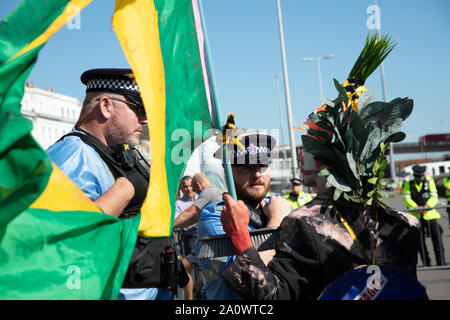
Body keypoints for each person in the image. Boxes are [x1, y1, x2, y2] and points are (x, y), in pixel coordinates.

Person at [217, 34, 426, 300]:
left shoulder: (305, 223)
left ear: (319, 160)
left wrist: (240, 239)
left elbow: (273, 297)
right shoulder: (406, 224)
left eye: (307, 146)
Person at [47, 68, 186, 300]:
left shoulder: (112, 154)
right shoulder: (74, 155)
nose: (145, 119)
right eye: (138, 108)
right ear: (105, 106)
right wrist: (126, 188)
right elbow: (74, 237)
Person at [194, 129, 292, 300]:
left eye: (262, 166)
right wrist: (277, 222)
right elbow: (246, 280)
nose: (257, 174)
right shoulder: (215, 216)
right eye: (246, 167)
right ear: (228, 173)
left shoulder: (277, 205)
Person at [173, 172, 222, 300]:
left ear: (198, 185)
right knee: (212, 276)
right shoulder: (219, 191)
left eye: (194, 189)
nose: (193, 192)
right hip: (216, 243)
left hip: (208, 243)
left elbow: (192, 212)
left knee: (181, 268)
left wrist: (170, 226)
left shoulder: (207, 192)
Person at [403, 165, 445, 266]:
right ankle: (426, 263)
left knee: (437, 239)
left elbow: (434, 196)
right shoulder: (409, 184)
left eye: (421, 176)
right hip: (417, 217)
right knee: (420, 242)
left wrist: (427, 206)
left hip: (430, 215)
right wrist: (416, 207)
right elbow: (406, 198)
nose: (420, 178)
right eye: (418, 177)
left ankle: (441, 262)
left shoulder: (429, 182)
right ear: (415, 176)